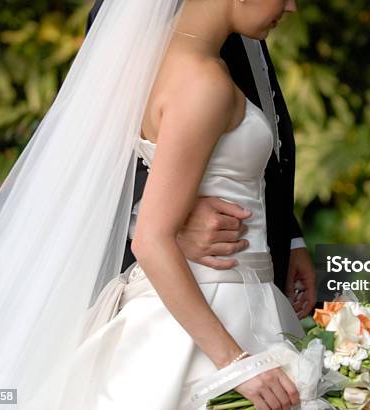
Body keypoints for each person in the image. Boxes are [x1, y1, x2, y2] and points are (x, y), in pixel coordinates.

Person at [0, 1, 323, 410]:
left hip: (225, 293)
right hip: (214, 300)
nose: (291, 6)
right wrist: (236, 364)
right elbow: (148, 235)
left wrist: (287, 238)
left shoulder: (163, 63)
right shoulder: (202, 81)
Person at [87, 0, 317, 320]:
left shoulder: (227, 33)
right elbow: (99, 140)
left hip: (253, 269)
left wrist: (288, 238)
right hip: (190, 284)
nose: (293, 7)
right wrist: (169, 216)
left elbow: (250, 149)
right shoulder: (137, 12)